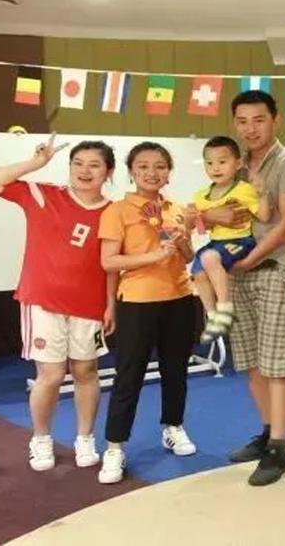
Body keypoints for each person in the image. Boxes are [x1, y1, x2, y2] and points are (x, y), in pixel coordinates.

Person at [0, 135, 117, 472]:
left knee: (86, 371)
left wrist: (111, 304)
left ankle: (85, 437)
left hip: (89, 305)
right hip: (43, 301)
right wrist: (37, 163)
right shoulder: (44, 194)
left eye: (94, 165)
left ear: (108, 172)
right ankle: (41, 439)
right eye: (78, 163)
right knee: (51, 375)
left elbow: (112, 264)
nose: (85, 171)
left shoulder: (114, 212)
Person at [211, 90, 285, 487]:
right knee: (251, 362)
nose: (250, 128)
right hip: (238, 271)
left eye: (259, 120)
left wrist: (249, 259)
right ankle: (269, 433)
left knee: (275, 364)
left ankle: (280, 448)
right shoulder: (232, 165)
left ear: (276, 120)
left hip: (275, 268)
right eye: (242, 121)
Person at [98, 142, 197, 484]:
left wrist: (183, 242)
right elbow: (108, 261)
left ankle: (173, 426)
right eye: (143, 166)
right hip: (137, 301)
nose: (152, 173)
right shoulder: (117, 211)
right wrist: (152, 257)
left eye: (160, 166)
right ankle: (114, 447)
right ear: (131, 171)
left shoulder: (178, 209)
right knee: (129, 376)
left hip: (180, 298)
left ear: (169, 172)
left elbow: (187, 257)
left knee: (176, 371)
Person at [190, 136, 270, 342]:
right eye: (209, 163)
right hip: (216, 243)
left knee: (208, 258)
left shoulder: (244, 189)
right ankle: (213, 316)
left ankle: (226, 309)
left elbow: (264, 216)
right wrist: (195, 218)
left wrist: (262, 194)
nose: (215, 168)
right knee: (197, 271)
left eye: (222, 162)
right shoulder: (200, 195)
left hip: (240, 241)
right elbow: (201, 229)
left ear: (238, 163)